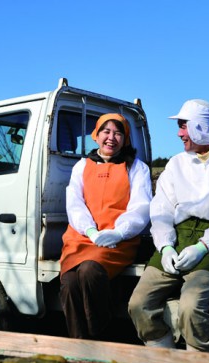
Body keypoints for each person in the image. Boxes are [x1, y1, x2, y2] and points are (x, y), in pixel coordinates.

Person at [128, 99, 209, 351]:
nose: (179, 133)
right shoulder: (177, 163)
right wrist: (165, 246)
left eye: (183, 126)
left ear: (201, 126)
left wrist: (203, 246)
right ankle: (164, 360)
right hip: (177, 237)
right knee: (139, 303)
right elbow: (162, 208)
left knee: (190, 306)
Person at [59, 113, 152, 339]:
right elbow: (74, 203)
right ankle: (78, 343)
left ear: (125, 138)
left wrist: (119, 232)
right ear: (96, 135)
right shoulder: (82, 166)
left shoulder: (137, 168)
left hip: (118, 241)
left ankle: (98, 337)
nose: (112, 137)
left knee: (90, 271)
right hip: (81, 237)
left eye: (118, 133)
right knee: (70, 282)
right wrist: (89, 230)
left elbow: (141, 206)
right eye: (106, 132)